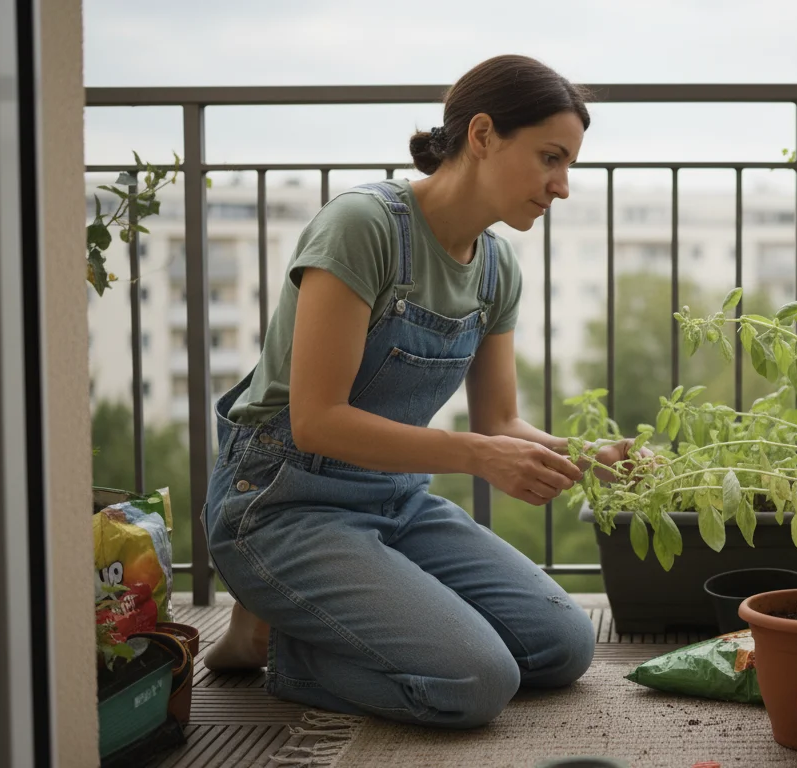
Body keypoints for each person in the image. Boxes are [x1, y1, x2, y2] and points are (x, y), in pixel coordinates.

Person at [200, 55, 641, 729]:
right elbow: (316, 422)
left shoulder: (496, 267)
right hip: (281, 504)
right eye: (551, 158)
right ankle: (282, 637)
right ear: (484, 135)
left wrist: (586, 456)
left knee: (562, 646)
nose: (562, 187)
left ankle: (301, 613)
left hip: (394, 501)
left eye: (570, 165)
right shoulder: (364, 226)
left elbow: (500, 421)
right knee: (475, 681)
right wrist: (476, 455)